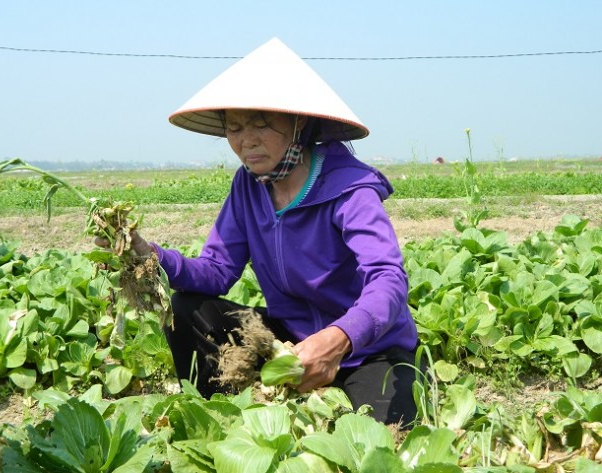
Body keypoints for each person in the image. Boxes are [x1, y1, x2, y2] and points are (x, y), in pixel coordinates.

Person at [124, 38, 419, 426]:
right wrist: (151, 257)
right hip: (288, 339)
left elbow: (388, 280)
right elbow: (217, 270)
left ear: (299, 123)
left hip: (365, 348)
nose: (246, 141)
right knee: (188, 310)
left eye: (261, 124)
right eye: (235, 127)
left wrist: (338, 340)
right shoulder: (248, 186)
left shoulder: (351, 189)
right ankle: (220, 417)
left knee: (382, 438)